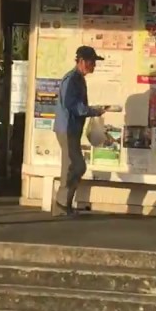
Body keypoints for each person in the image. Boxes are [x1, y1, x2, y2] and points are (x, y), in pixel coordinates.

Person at [54, 46, 107, 216]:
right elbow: (72, 105)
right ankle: (62, 203)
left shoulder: (78, 79)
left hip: (72, 129)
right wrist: (92, 111)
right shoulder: (71, 79)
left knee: (72, 166)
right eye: (92, 62)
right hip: (67, 129)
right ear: (82, 61)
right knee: (76, 165)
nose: (94, 66)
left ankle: (63, 205)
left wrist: (93, 110)